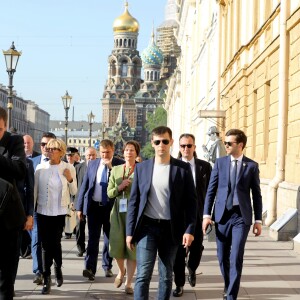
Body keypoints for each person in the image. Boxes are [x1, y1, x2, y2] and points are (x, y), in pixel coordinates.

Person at [126, 126, 197, 300]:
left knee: (166, 276)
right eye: (157, 142)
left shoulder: (182, 169)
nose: (161, 145)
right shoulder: (142, 168)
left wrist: (189, 230)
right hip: (147, 228)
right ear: (152, 143)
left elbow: (191, 202)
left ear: (171, 142)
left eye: (165, 141)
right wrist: (129, 233)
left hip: (171, 229)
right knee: (143, 274)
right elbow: (134, 202)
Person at [202, 129, 263, 300]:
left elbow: (256, 195)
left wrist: (258, 220)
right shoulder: (220, 163)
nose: (226, 146)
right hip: (221, 216)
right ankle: (229, 284)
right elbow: (211, 191)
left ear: (240, 145)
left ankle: (231, 296)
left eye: (229, 143)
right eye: (225, 143)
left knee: (236, 255)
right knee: (222, 257)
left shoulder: (251, 166)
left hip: (241, 217)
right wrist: (206, 215)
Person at [76, 139, 124, 281]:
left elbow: (121, 185)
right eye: (102, 152)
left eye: (107, 152)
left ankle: (107, 265)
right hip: (94, 207)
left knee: (109, 239)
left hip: (111, 208)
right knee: (92, 238)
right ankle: (89, 268)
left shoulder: (119, 164)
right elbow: (85, 186)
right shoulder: (93, 164)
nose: (105, 155)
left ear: (113, 151)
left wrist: (110, 168)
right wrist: (79, 207)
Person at [34, 138, 77, 294]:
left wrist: (69, 178)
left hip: (59, 211)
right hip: (43, 211)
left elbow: (74, 191)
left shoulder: (68, 167)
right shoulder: (40, 167)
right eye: (48, 148)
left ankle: (58, 267)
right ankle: (47, 279)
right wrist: (31, 214)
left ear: (61, 152)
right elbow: (35, 191)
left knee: (56, 243)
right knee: (45, 246)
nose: (49, 151)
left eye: (53, 149)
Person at [173, 133, 211, 297]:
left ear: (194, 147)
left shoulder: (204, 166)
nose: (186, 149)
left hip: (197, 215)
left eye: (189, 146)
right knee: (178, 252)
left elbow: (211, 191)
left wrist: (208, 215)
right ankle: (179, 284)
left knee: (196, 248)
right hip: (177, 216)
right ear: (179, 148)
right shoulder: (173, 166)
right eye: (183, 146)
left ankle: (192, 268)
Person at [0, 107, 27, 299]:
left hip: (7, 217)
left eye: (0, 129)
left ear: (5, 126)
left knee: (5, 275)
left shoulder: (14, 141)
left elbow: (19, 170)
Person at [108, 140, 140, 295]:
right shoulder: (115, 170)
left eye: (132, 150)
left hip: (135, 212)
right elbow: (109, 193)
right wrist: (119, 187)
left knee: (132, 248)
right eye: (127, 150)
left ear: (136, 153)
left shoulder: (141, 170)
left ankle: (128, 283)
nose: (129, 152)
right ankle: (121, 271)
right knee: (115, 246)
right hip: (118, 212)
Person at [30, 132, 56, 285]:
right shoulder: (33, 162)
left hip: (53, 210)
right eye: (42, 144)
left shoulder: (60, 163)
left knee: (51, 243)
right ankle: (38, 271)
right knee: (36, 239)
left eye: (48, 144)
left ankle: (48, 269)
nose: (45, 147)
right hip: (36, 208)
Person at [74, 147, 97, 257]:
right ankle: (80, 247)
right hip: (81, 201)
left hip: (93, 202)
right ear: (85, 156)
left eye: (93, 155)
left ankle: (90, 247)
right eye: (88, 155)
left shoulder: (99, 167)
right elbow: (76, 186)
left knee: (92, 227)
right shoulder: (78, 167)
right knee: (79, 226)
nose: (91, 157)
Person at [64, 147, 80, 239]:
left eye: (71, 155)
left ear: (75, 156)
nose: (69, 157)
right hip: (67, 194)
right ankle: (68, 232)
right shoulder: (63, 166)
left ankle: (73, 230)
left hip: (75, 193)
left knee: (74, 215)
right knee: (68, 215)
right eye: (67, 155)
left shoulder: (79, 166)